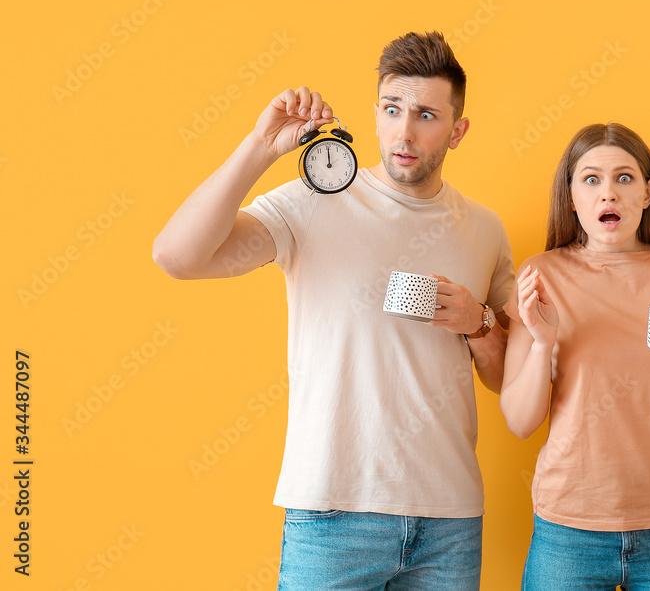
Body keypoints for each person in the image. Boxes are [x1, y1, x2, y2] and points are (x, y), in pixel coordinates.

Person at [152, 31, 513, 590]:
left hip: (450, 522)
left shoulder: (484, 229)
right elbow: (176, 257)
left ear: (457, 130)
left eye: (426, 115)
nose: (405, 131)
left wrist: (479, 323)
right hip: (331, 512)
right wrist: (260, 147)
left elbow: (506, 378)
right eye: (392, 110)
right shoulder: (313, 202)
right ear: (374, 116)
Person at [499, 123, 650, 590]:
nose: (608, 192)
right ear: (571, 196)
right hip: (569, 528)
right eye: (591, 179)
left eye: (624, 178)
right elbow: (519, 420)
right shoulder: (540, 275)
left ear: (649, 192)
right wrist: (543, 342)